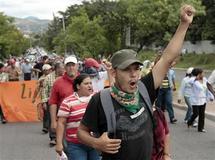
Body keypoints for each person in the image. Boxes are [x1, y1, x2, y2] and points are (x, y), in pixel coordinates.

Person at [77, 5, 195, 160]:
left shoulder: (145, 89)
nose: (134, 75)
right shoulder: (100, 100)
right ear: (114, 72)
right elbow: (81, 132)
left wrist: (184, 24)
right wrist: (96, 143)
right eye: (127, 70)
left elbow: (167, 58)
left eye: (137, 68)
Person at [56, 74, 100, 160]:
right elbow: (61, 123)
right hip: (75, 145)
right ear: (78, 86)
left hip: (95, 143)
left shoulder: (97, 97)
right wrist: (59, 143)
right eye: (86, 83)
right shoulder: (68, 102)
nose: (90, 86)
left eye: (90, 83)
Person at [49, 56, 79, 146]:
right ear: (65, 68)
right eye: (68, 65)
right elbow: (53, 102)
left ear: (77, 66)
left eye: (73, 65)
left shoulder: (83, 80)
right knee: (67, 148)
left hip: (82, 121)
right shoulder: (58, 82)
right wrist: (53, 121)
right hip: (64, 122)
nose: (71, 68)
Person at [187, 68, 214, 133]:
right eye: (202, 73)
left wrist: (211, 96)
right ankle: (190, 121)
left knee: (202, 114)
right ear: (199, 74)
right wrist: (196, 78)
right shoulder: (193, 80)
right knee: (196, 113)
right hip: (195, 100)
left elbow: (207, 88)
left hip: (203, 99)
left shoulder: (204, 80)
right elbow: (189, 82)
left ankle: (201, 128)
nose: (204, 74)